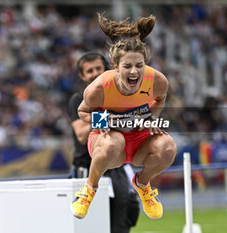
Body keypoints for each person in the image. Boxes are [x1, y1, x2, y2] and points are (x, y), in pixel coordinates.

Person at [70, 13, 177, 220]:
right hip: (107, 143)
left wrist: (151, 119)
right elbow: (82, 112)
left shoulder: (157, 80)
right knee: (115, 140)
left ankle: (142, 183)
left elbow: (160, 98)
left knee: (168, 146)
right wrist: (104, 121)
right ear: (115, 66)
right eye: (127, 66)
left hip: (139, 141)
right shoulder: (100, 87)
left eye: (139, 65)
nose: (134, 72)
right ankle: (88, 190)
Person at [68, 52, 140, 233]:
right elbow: (81, 134)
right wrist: (107, 117)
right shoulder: (78, 99)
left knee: (122, 222)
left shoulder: (118, 95)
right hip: (87, 169)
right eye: (89, 70)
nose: (94, 73)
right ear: (82, 76)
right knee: (88, 226)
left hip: (117, 169)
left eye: (98, 68)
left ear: (106, 69)